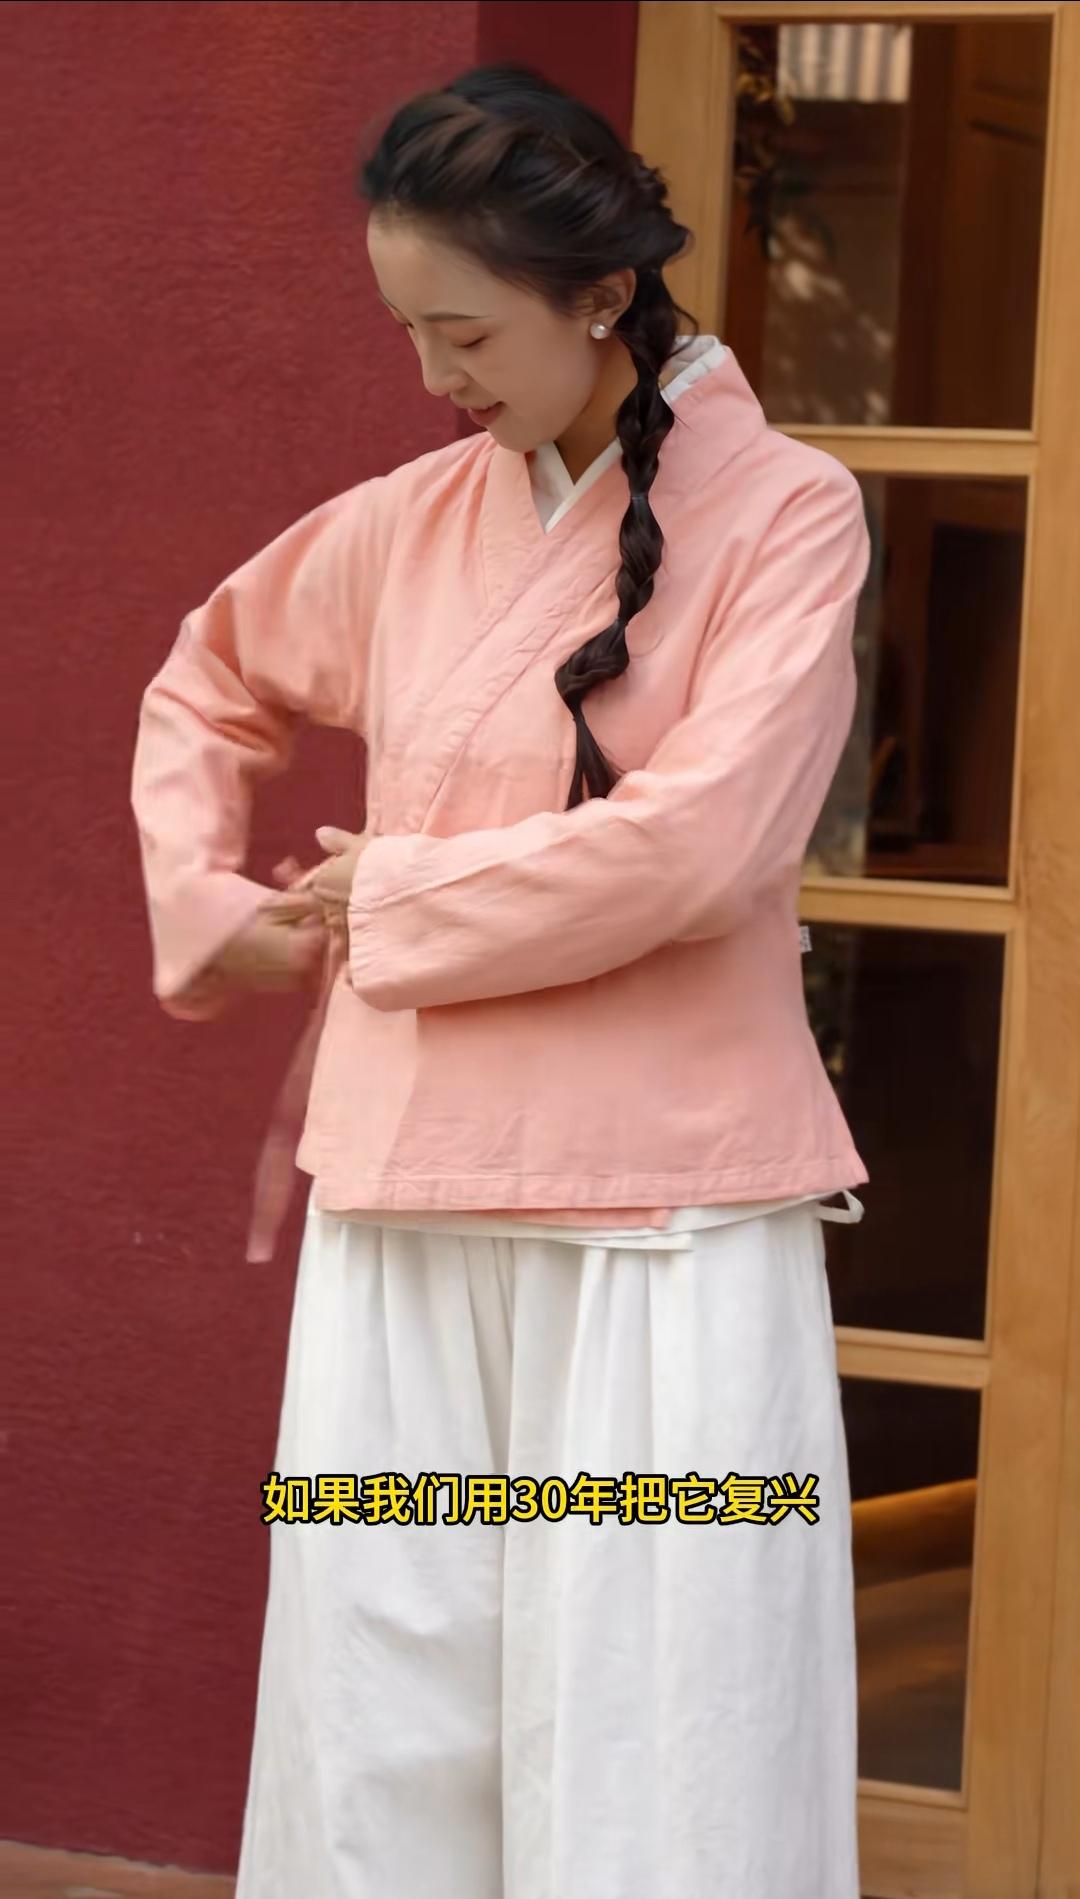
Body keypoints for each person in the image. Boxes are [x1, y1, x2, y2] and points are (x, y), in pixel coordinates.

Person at [130, 61, 870, 1899]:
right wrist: (213, 902)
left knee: (665, 1705)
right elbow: (205, 682)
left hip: (666, 1215)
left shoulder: (792, 513)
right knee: (384, 1699)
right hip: (408, 1192)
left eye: (462, 333)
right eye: (408, 331)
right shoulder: (406, 520)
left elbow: (705, 845)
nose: (431, 376)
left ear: (601, 294)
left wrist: (394, 900)